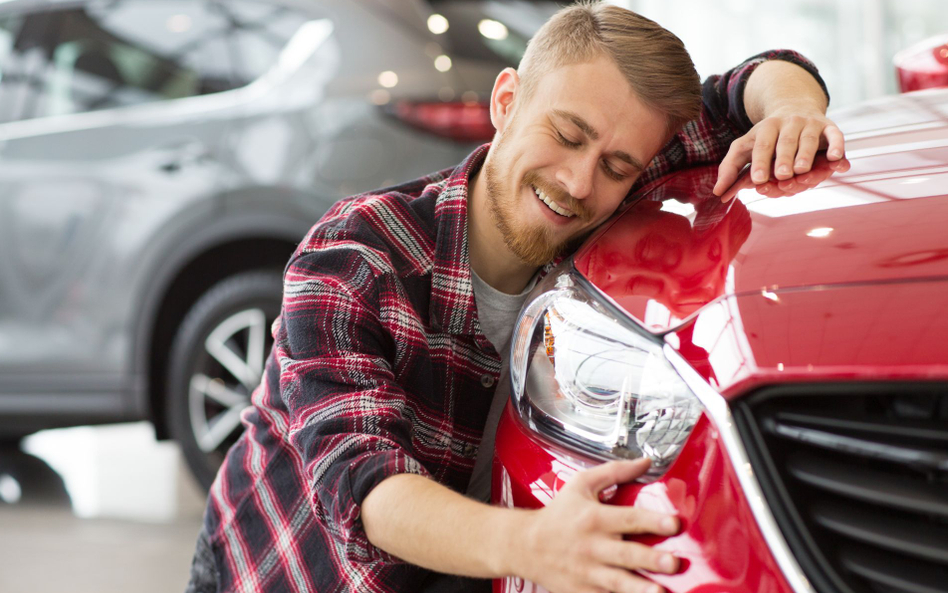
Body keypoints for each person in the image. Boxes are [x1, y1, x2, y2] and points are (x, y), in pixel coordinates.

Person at [186, 3, 846, 593]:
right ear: (507, 101)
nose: (578, 182)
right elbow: (368, 491)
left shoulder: (614, 188)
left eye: (618, 167)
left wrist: (794, 113)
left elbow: (759, 78)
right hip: (286, 567)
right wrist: (539, 545)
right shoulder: (354, 256)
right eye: (565, 134)